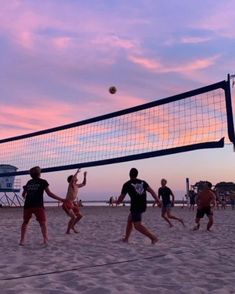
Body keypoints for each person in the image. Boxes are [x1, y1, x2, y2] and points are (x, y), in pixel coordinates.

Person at [19, 166, 64, 246]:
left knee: (25, 223)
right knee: (42, 223)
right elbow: (49, 194)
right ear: (39, 173)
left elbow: (23, 194)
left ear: (31, 175)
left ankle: (22, 241)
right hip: (38, 205)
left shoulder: (29, 182)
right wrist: (61, 199)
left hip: (28, 205)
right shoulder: (43, 182)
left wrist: (27, 197)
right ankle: (45, 240)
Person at [116, 168, 161, 244]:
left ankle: (153, 238)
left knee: (137, 225)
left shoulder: (127, 184)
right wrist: (158, 200)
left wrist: (117, 202)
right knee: (130, 219)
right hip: (143, 204)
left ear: (129, 174)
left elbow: (121, 198)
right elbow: (152, 191)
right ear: (137, 174)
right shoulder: (143, 182)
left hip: (136, 205)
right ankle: (126, 239)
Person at [62, 169, 87, 234]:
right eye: (74, 177)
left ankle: (72, 226)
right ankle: (68, 231)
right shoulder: (71, 185)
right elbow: (73, 179)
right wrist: (77, 172)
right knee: (73, 217)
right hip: (67, 203)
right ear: (72, 180)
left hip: (72, 203)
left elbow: (84, 184)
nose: (76, 178)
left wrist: (84, 176)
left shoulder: (77, 186)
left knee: (80, 216)